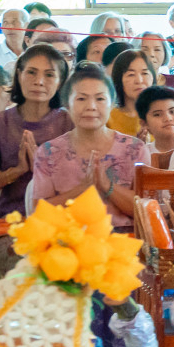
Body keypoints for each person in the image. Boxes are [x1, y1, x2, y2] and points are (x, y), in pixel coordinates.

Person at [30, 62, 144, 228]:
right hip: (68, 242)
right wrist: (84, 188)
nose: (91, 107)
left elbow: (145, 210)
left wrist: (107, 185)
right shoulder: (49, 152)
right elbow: (39, 213)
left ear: (112, 104)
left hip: (124, 243)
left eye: (100, 99)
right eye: (81, 98)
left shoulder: (135, 149)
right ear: (67, 105)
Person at [0, 42, 72, 220]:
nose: (39, 81)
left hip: (64, 219)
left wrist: (43, 171)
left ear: (60, 82)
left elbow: (85, 181)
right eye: (31, 72)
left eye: (49, 75)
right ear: (19, 74)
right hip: (12, 221)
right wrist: (15, 171)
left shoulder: (70, 123)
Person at [103, 43, 156, 135]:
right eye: (131, 74)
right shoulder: (108, 119)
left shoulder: (162, 114)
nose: (139, 81)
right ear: (119, 79)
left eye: (145, 73)